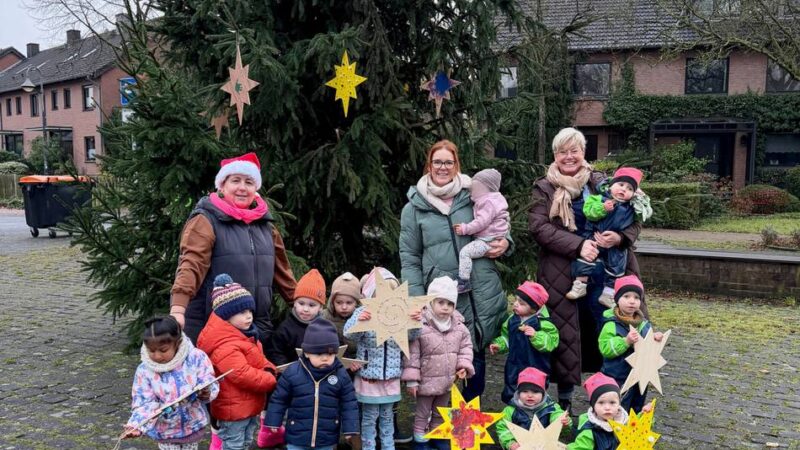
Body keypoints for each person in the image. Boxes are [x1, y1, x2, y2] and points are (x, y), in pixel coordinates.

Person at [528, 127, 646, 413]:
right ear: (555, 155)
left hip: (607, 270)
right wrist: (579, 245)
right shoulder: (544, 186)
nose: (569, 157)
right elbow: (539, 227)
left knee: (611, 326)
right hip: (562, 270)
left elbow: (636, 213)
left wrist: (620, 237)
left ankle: (612, 399)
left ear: (584, 152)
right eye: (562, 151)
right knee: (565, 334)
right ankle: (565, 400)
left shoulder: (603, 182)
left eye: (575, 150)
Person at [400, 139, 511, 401]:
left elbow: (500, 223)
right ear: (429, 165)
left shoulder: (473, 195)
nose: (443, 167)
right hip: (441, 297)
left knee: (476, 354)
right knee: (441, 358)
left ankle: (469, 422)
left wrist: (507, 242)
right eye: (437, 162)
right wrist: (416, 298)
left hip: (480, 289)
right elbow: (409, 257)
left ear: (456, 164)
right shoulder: (413, 208)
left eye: (448, 162)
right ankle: (441, 422)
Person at [196, 274, 278, 450]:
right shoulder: (225, 344)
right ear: (226, 316)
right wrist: (270, 378)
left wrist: (270, 368)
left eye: (249, 311)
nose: (249, 316)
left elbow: (260, 360)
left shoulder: (245, 335)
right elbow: (242, 374)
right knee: (234, 445)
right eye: (242, 312)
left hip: (247, 405)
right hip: (233, 410)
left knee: (246, 441)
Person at [344, 268, 421, 450]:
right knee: (369, 418)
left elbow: (411, 336)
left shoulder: (399, 312)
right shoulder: (363, 311)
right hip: (370, 377)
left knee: (387, 418)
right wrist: (360, 322)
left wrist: (415, 322)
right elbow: (349, 334)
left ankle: (388, 446)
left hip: (391, 377)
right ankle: (368, 447)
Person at [122, 316, 219, 450]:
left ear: (177, 343)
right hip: (165, 431)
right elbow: (143, 403)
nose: (157, 356)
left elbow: (210, 381)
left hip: (192, 425)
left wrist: (205, 392)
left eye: (163, 350)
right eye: (151, 350)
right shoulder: (144, 371)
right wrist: (137, 425)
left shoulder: (196, 358)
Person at [401, 276, 474, 450]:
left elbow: (466, 347)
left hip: (447, 381)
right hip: (425, 381)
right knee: (423, 412)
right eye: (440, 302)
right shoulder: (420, 325)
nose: (445, 307)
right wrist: (412, 379)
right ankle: (420, 438)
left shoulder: (459, 327)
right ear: (430, 302)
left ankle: (437, 434)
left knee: (441, 411)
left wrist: (463, 365)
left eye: (450, 304)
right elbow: (412, 354)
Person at [265, 318, 360, 450]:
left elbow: (349, 403)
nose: (325, 358)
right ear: (307, 353)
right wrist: (273, 421)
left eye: (331, 353)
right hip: (297, 436)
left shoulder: (341, 374)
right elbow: (279, 399)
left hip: (326, 437)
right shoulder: (293, 372)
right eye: (319, 353)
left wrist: (351, 428)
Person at [567, 168, 652, 308]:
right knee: (586, 258)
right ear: (610, 185)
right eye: (621, 185)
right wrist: (602, 208)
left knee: (616, 266)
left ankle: (608, 293)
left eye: (630, 188)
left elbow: (644, 216)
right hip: (594, 236)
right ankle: (580, 284)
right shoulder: (599, 198)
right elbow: (589, 212)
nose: (624, 189)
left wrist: (642, 198)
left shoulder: (631, 206)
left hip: (616, 245)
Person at [598, 275, 663, 414]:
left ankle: (634, 429)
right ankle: (616, 430)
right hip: (618, 375)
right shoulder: (610, 324)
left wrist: (655, 338)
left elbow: (648, 344)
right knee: (620, 405)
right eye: (626, 296)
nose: (631, 301)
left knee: (637, 403)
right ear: (617, 299)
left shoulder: (643, 323)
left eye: (636, 297)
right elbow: (605, 348)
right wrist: (625, 342)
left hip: (640, 374)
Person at [489, 281, 559, 404]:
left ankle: (535, 412)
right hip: (514, 363)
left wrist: (536, 336)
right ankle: (513, 411)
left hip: (535, 365)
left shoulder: (543, 323)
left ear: (534, 308)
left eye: (521, 303)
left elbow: (551, 343)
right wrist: (499, 345)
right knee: (511, 386)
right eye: (516, 300)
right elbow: (507, 337)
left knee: (533, 389)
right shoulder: (512, 320)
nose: (516, 304)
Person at [453, 168, 510, 293]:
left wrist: (465, 228)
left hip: (487, 241)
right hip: (492, 238)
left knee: (465, 253)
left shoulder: (487, 202)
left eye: (476, 187)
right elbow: (504, 219)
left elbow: (481, 222)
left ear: (486, 188)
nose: (472, 190)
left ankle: (463, 281)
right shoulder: (495, 199)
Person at [495, 367, 571, 450]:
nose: (530, 395)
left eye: (535, 392)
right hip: (521, 447)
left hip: (544, 446)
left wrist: (562, 422)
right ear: (518, 393)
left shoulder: (551, 407)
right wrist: (510, 443)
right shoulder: (510, 410)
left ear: (543, 393)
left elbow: (557, 416)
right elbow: (502, 428)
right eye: (525, 391)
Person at [266, 269, 327, 366]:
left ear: (320, 307)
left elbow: (336, 350)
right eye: (301, 303)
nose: (305, 309)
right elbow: (275, 352)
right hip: (292, 376)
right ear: (294, 303)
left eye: (312, 305)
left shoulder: (326, 328)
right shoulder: (285, 328)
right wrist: (289, 371)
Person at [567, 373, 628, 450]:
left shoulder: (625, 421)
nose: (607, 407)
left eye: (612, 402)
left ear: (619, 404)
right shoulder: (589, 432)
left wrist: (645, 413)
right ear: (593, 406)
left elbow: (638, 429)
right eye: (601, 403)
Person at [322, 272, 363, 360]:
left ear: (357, 302)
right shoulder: (324, 318)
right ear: (332, 302)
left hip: (357, 362)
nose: (344, 307)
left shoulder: (363, 318)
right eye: (339, 302)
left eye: (349, 303)